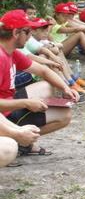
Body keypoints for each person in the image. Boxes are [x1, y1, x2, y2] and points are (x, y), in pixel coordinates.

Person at [0, 10, 79, 156]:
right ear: (16, 33)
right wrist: (26, 103)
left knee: (46, 85)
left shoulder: (11, 52)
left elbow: (43, 71)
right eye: (28, 31)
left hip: (8, 102)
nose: (30, 36)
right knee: (65, 115)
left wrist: (66, 87)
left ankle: (21, 138)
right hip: (3, 115)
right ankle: (17, 138)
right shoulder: (1, 58)